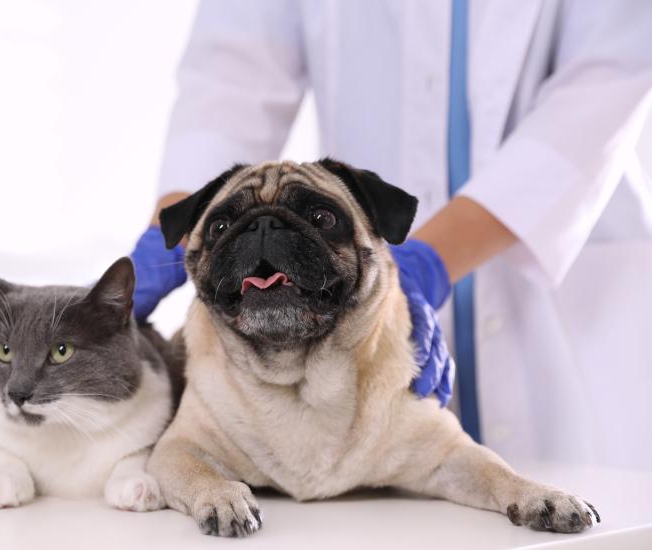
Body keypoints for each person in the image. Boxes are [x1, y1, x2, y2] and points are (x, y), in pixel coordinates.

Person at [130, 0, 652, 470]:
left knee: (570, 502)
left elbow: (605, 82)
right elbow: (233, 75)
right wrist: (176, 226)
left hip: (558, 290)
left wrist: (426, 261)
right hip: (341, 383)